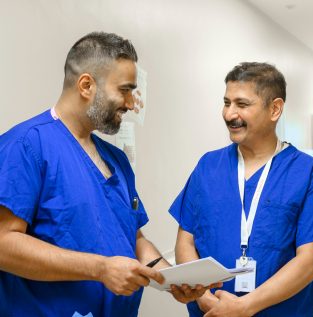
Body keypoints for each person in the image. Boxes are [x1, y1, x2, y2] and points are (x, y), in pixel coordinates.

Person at [0, 32, 215, 317]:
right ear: (86, 85)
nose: (129, 102)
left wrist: (170, 278)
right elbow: (4, 243)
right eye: (124, 90)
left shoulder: (116, 159)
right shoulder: (27, 145)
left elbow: (134, 238)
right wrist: (100, 268)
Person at [169, 62, 313, 317]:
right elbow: (185, 241)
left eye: (242, 104)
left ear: (275, 109)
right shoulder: (208, 166)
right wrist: (204, 299)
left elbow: (309, 263)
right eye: (227, 103)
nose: (229, 114)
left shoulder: (307, 174)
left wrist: (242, 308)